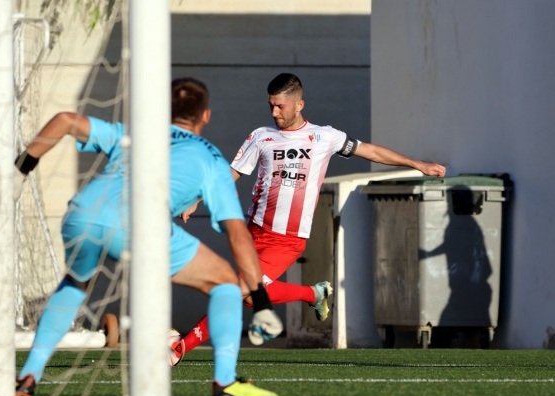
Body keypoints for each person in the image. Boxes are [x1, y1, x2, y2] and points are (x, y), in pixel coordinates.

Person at [15, 77, 283, 396]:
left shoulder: (134, 133)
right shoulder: (209, 157)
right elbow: (238, 232)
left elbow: (64, 121)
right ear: (206, 116)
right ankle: (224, 383)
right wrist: (261, 300)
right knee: (225, 282)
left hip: (83, 214)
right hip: (140, 225)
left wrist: (20, 170)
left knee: (75, 284)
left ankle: (28, 376)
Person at [174, 72, 446, 359]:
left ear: (299, 104)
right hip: (253, 230)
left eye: (281, 106)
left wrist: (417, 164)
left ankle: (180, 348)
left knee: (235, 290)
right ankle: (313, 294)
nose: (275, 112)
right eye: (271, 106)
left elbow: (371, 151)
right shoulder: (261, 136)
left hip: (287, 239)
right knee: (252, 298)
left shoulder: (324, 137)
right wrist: (197, 199)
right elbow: (232, 173)